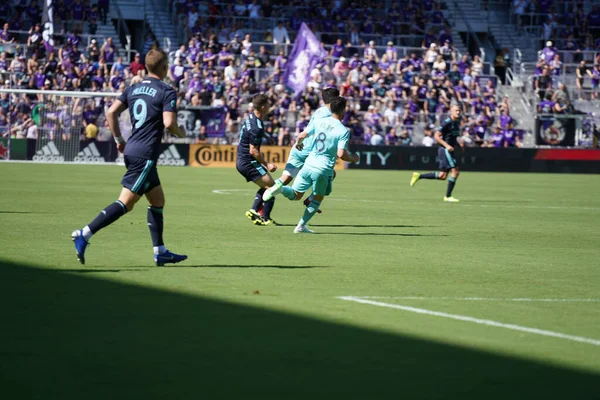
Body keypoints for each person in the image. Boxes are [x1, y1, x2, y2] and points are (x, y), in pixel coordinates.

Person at [71, 48, 188, 266]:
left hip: (133, 148)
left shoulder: (133, 88)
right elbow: (169, 123)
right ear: (164, 68)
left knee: (157, 200)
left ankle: (160, 251)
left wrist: (118, 139)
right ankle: (84, 233)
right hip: (145, 154)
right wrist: (181, 132)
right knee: (126, 202)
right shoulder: (166, 90)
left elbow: (110, 112)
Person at [263, 97, 360, 234]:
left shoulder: (320, 121)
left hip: (308, 164)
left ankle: (279, 189)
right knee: (317, 198)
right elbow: (341, 154)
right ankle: (300, 226)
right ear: (343, 110)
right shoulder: (343, 131)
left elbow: (302, 134)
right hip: (323, 169)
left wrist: (299, 142)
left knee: (296, 195)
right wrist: (353, 159)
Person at [272, 87, 340, 213]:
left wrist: (299, 141)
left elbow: (308, 131)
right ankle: (312, 198)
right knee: (329, 174)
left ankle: (262, 198)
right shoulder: (331, 115)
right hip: (312, 152)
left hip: (299, 147)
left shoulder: (319, 111)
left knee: (284, 179)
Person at [236, 93, 279, 226]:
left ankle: (256, 211)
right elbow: (253, 151)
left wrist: (267, 136)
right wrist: (267, 164)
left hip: (242, 160)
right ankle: (264, 217)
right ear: (262, 107)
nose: (269, 107)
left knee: (267, 186)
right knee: (272, 187)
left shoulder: (252, 117)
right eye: (267, 105)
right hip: (248, 162)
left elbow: (256, 131)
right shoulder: (257, 126)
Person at [409, 104, 463, 202]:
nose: (458, 112)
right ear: (451, 111)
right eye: (456, 110)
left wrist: (458, 146)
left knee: (442, 176)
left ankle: (419, 176)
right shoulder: (447, 122)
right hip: (445, 149)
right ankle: (448, 196)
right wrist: (446, 146)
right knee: (455, 171)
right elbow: (437, 136)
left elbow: (452, 137)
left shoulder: (456, 123)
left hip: (448, 149)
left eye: (459, 110)